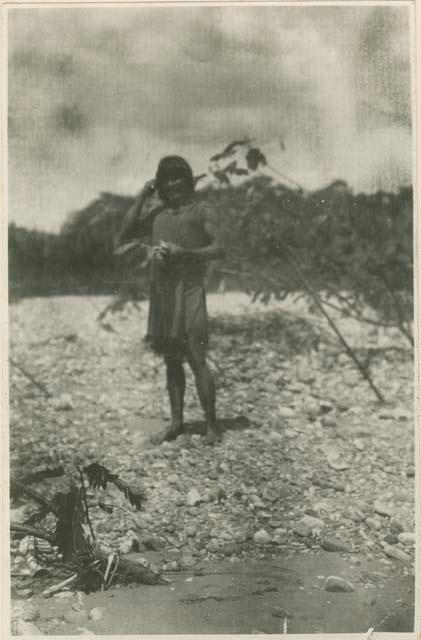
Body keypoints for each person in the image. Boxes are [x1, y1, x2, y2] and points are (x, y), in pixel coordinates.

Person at [116, 156, 225, 444]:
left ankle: (212, 426)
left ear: (188, 181)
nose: (173, 183)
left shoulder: (202, 210)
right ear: (161, 185)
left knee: (197, 357)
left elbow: (219, 248)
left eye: (178, 177)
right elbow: (126, 232)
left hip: (190, 289)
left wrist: (185, 253)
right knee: (171, 360)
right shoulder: (158, 215)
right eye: (166, 179)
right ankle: (176, 423)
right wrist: (143, 193)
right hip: (162, 292)